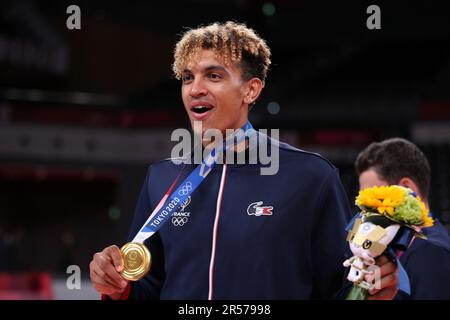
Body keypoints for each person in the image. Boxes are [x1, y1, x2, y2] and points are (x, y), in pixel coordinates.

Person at [89, 21, 397, 300]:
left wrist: (374, 290)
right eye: (187, 78)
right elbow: (147, 289)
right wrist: (118, 286)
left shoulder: (310, 177)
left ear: (250, 90)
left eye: (213, 75)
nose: (195, 89)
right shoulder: (162, 177)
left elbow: (342, 288)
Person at [355, 137, 450, 299]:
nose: (366, 210)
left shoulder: (432, 252)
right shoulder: (400, 245)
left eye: (374, 196)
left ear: (406, 189)